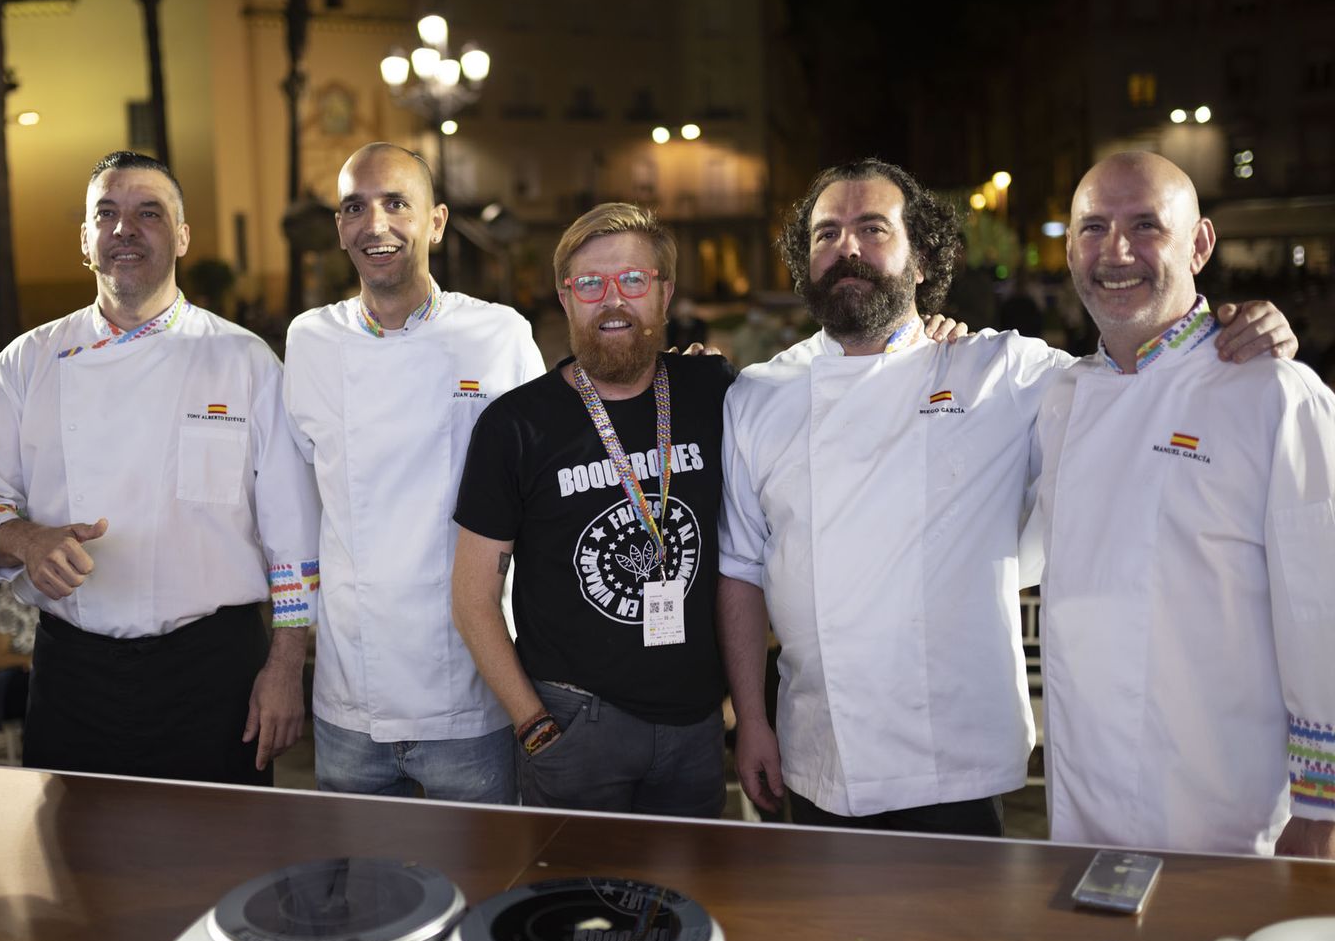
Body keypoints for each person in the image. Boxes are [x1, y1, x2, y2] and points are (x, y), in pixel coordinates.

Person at [719, 159, 1295, 836]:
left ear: (923, 258)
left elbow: (1139, 380)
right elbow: (741, 568)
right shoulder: (757, 394)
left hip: (958, 757)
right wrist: (752, 720)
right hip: (819, 749)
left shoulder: (1005, 371)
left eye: (873, 228)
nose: (847, 247)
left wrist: (1231, 330)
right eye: (826, 233)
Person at [0, 151, 319, 785]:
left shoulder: (244, 359)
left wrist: (285, 669)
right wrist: (27, 539)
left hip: (216, 668)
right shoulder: (27, 363)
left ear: (181, 236)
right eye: (107, 214)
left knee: (224, 863)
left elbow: (294, 535)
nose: (126, 229)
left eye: (149, 213)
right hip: (73, 672)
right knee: (77, 868)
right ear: (86, 240)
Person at [1033, 151, 1334, 857]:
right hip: (1082, 812)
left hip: (1225, 813)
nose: (1117, 251)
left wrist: (1322, 813)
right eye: (1094, 227)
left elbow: (1323, 612)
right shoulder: (1062, 398)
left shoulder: (1275, 394)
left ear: (1199, 244)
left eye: (1145, 226)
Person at [282, 143, 544, 802]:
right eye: (355, 207)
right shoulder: (309, 340)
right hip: (350, 701)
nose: (376, 225)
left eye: (397, 203)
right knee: (366, 900)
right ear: (340, 227)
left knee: (484, 891)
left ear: (436, 222)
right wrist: (287, 655)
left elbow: (545, 493)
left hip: (470, 693)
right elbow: (293, 516)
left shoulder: (499, 334)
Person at [452, 202, 732, 817]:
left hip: (695, 728)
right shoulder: (515, 424)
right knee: (577, 909)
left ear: (665, 294)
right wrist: (534, 727)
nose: (612, 300)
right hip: (574, 723)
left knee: (696, 905)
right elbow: (472, 597)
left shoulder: (715, 393)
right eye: (590, 283)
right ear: (565, 297)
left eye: (633, 280)